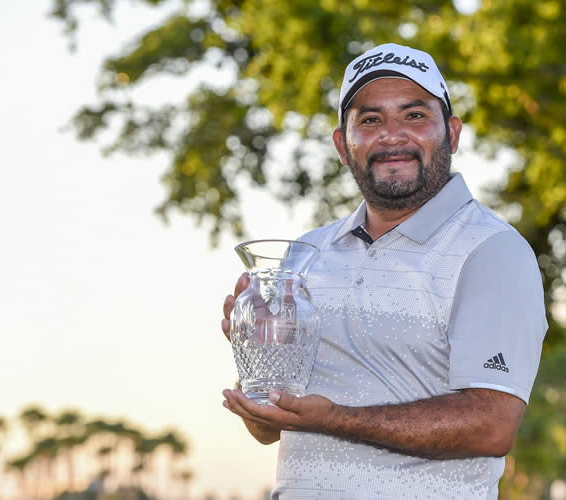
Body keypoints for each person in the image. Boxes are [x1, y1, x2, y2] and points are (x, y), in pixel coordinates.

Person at [220, 43, 547, 499]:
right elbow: (270, 431)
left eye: (414, 116)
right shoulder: (305, 254)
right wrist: (259, 375)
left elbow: (491, 425)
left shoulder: (492, 250)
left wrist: (332, 418)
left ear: (452, 134)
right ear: (342, 144)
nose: (392, 136)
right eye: (370, 120)